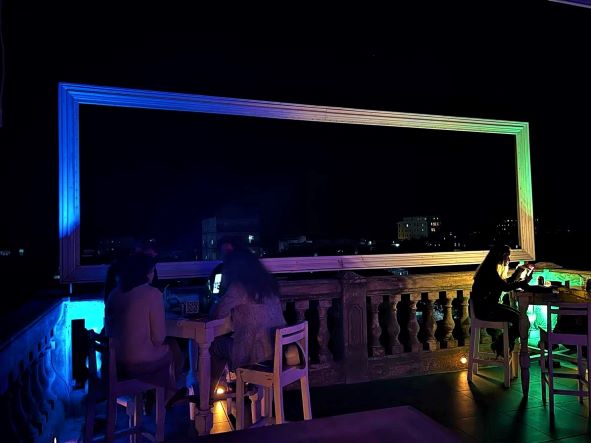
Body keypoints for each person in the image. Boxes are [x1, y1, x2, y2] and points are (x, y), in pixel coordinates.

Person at [104, 253, 185, 405]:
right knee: (173, 349)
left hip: (116, 364)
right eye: (153, 270)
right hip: (139, 365)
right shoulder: (152, 293)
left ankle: (158, 394)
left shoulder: (114, 294)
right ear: (146, 272)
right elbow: (158, 338)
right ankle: (167, 394)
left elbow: (109, 330)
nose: (153, 275)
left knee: (168, 349)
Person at [208, 249, 287, 401]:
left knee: (213, 346)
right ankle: (246, 386)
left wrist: (218, 297)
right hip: (278, 351)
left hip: (257, 354)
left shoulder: (239, 286)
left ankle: (209, 395)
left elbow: (216, 314)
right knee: (235, 340)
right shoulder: (267, 284)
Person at [471, 244, 534, 357]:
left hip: (488, 307)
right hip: (487, 310)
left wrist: (519, 271)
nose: (509, 259)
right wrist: (524, 282)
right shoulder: (490, 271)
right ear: (501, 256)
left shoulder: (489, 268)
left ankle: (501, 344)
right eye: (507, 256)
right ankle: (501, 344)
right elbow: (505, 287)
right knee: (522, 320)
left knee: (522, 318)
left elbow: (503, 284)